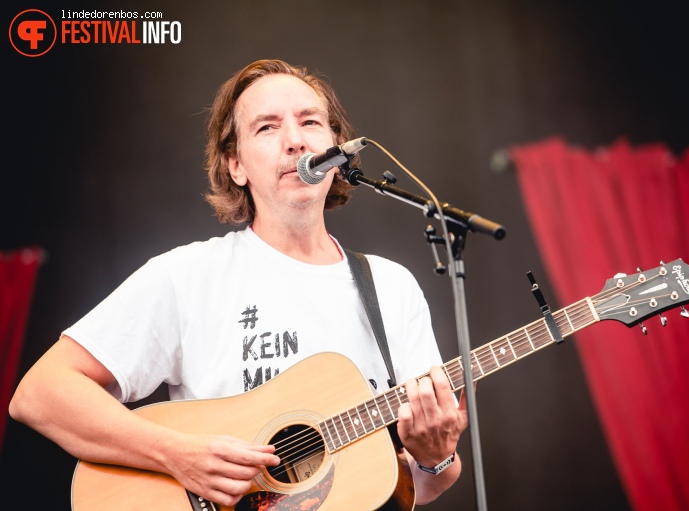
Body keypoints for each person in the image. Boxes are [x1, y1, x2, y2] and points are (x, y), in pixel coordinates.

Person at [9, 59, 468, 507]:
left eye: (310, 122)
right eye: (267, 127)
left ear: (338, 149)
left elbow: (420, 486)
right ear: (236, 166)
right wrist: (177, 455)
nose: (294, 141)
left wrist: (434, 456)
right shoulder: (188, 276)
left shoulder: (391, 286)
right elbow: (41, 394)